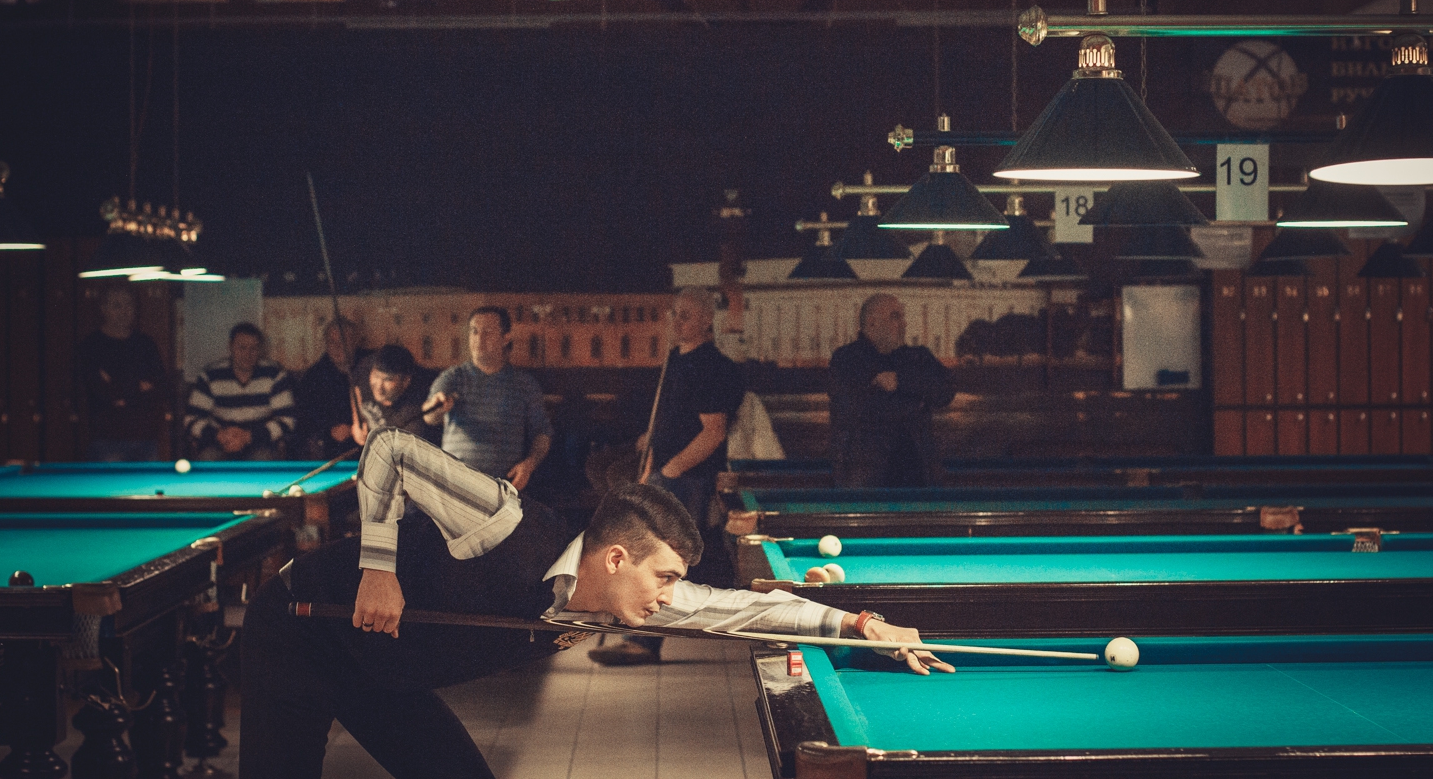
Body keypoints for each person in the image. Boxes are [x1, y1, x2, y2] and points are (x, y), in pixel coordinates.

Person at [239, 429, 950, 779]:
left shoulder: (632, 595)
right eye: (663, 577)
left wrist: (862, 623)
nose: (671, 597)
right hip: (301, 634)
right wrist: (377, 569)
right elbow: (391, 449)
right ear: (615, 559)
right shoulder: (506, 523)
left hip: (387, 674)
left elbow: (745, 611)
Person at [590, 286, 743, 666]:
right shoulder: (676, 358)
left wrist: (670, 471)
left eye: (686, 315)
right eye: (675, 314)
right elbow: (668, 416)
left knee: (659, 561)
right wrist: (650, 468)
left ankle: (642, 641)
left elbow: (713, 432)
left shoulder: (711, 366)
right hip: (664, 473)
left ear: (706, 320)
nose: (677, 321)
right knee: (648, 554)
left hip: (687, 479)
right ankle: (636, 632)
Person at [828, 293, 954, 489]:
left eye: (902, 317)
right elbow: (853, 406)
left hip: (919, 479)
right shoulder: (847, 358)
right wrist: (915, 401)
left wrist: (901, 381)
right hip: (865, 485)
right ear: (872, 323)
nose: (904, 323)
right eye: (895, 317)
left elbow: (946, 390)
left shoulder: (918, 357)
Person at [424, 307, 551, 491]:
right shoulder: (453, 377)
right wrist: (437, 407)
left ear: (506, 338)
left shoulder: (524, 384)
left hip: (502, 485)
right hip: (455, 483)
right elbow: (429, 416)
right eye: (474, 331)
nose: (479, 339)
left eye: (488, 332)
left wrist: (529, 465)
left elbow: (542, 432)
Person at [78, 285, 166, 462]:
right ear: (104, 309)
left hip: (145, 438)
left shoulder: (145, 344)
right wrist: (137, 387)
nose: (124, 311)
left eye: (128, 305)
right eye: (117, 305)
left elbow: (159, 387)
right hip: (107, 440)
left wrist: (118, 387)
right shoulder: (91, 345)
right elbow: (100, 391)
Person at [186, 322, 298, 461]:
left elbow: (287, 420)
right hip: (219, 443)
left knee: (263, 459)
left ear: (260, 350)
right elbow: (191, 420)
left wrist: (248, 437)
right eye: (242, 348)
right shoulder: (210, 375)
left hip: (260, 443)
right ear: (230, 347)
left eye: (254, 348)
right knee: (207, 458)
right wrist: (220, 435)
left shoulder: (275, 374)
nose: (248, 354)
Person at [295, 318, 363, 460]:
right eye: (332, 342)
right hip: (333, 446)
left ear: (355, 341)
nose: (338, 347)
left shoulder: (371, 365)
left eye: (343, 341)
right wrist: (329, 431)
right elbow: (304, 420)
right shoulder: (313, 377)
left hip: (369, 439)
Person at [351, 344, 440, 446]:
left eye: (388, 379)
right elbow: (355, 387)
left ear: (405, 381)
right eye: (376, 376)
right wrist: (357, 422)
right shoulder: (366, 367)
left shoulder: (414, 410)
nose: (379, 386)